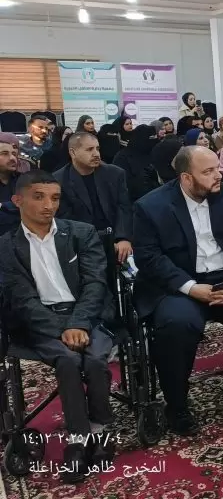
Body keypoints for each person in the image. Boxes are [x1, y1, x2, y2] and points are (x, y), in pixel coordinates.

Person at [133, 146, 223, 433]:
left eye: (217, 168)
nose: (218, 175)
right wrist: (190, 287)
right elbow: (149, 257)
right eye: (208, 172)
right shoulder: (151, 206)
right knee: (175, 324)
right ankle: (177, 405)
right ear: (186, 178)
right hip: (181, 281)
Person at [0, 170, 118, 483]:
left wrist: (78, 323)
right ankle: (78, 440)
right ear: (17, 200)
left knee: (95, 360)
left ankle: (100, 430)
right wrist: (61, 329)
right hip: (40, 321)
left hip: (88, 314)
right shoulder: (6, 247)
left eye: (54, 198)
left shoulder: (81, 233)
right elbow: (22, 299)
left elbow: (95, 283)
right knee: (67, 359)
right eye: (38, 197)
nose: (48, 205)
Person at [54, 132, 133, 263]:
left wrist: (123, 238)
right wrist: (99, 243)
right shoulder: (59, 180)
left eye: (97, 148)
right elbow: (66, 220)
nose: (96, 154)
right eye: (89, 149)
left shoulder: (115, 174)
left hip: (115, 238)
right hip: (81, 244)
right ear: (73, 152)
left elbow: (123, 207)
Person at [112, 124, 160, 202]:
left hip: (155, 199)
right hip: (133, 201)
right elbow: (122, 183)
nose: (154, 140)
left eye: (155, 137)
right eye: (151, 138)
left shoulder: (153, 153)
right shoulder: (123, 157)